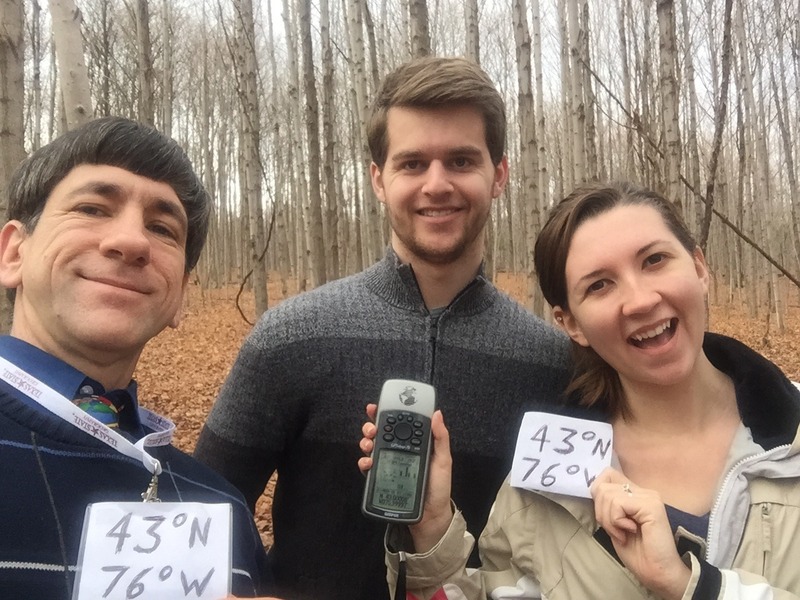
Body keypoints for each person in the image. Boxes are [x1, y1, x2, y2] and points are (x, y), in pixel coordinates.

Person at [194, 56, 571, 600]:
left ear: (500, 175)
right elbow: (204, 511)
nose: (436, 184)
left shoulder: (552, 364)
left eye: (462, 160)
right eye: (412, 163)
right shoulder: (291, 337)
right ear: (378, 179)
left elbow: (574, 554)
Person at [360, 181, 800, 599]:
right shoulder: (540, 485)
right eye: (599, 285)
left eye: (654, 260)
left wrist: (688, 585)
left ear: (699, 268)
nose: (641, 300)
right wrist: (433, 529)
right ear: (571, 324)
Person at [0, 117, 278, 599]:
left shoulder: (221, 510)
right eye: (91, 207)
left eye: (162, 228)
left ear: (180, 296)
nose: (132, 242)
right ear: (13, 253)